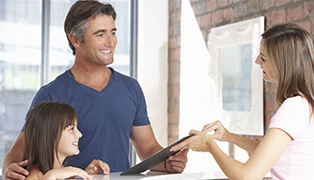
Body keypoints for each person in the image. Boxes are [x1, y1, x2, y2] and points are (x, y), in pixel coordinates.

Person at [2, 1, 188, 179]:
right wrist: (8, 168)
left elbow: (148, 148)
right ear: (75, 40)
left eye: (113, 32)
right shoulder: (51, 94)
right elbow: (20, 150)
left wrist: (167, 163)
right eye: (100, 34)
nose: (111, 42)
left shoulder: (131, 88)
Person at [171, 23, 314, 179]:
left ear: (282, 63)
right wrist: (229, 136)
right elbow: (269, 153)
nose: (257, 61)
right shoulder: (304, 104)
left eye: (263, 58)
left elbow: (247, 177)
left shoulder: (293, 108)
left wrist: (209, 145)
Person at [23, 101, 110, 179]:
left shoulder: (63, 171)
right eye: (72, 129)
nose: (80, 134)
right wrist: (51, 176)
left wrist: (85, 174)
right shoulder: (34, 176)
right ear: (50, 135)